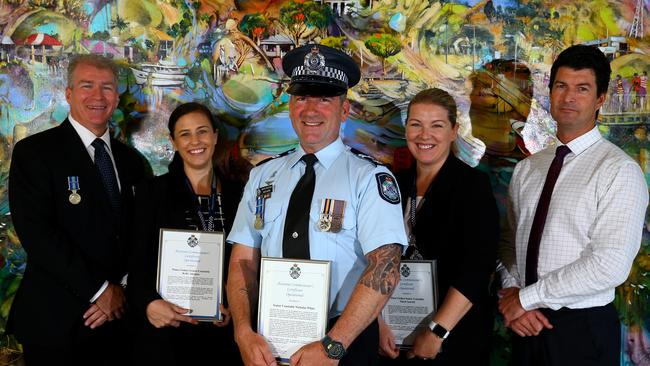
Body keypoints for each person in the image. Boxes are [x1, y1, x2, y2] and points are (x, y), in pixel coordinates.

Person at [226, 44, 408, 366]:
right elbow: (243, 258)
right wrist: (242, 332)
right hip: (269, 342)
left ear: (344, 110)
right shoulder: (263, 176)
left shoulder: (369, 178)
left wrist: (333, 346)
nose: (310, 110)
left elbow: (385, 267)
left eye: (324, 98)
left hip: (343, 342)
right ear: (290, 105)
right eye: (301, 98)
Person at [498, 45, 649, 365]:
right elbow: (510, 242)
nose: (569, 97)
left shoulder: (618, 170)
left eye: (582, 89)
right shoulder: (528, 168)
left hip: (581, 328)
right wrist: (513, 296)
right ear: (550, 92)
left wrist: (526, 298)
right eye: (561, 86)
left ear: (600, 99)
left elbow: (609, 264)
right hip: (525, 324)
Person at [7, 54, 147, 365]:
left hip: (120, 322)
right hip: (56, 324)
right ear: (68, 93)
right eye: (87, 86)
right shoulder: (35, 153)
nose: (98, 96)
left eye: (107, 87)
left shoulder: (133, 162)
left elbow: (142, 235)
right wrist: (100, 290)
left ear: (116, 96)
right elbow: (37, 234)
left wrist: (120, 289)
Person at [378, 88, 499, 364]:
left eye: (437, 126)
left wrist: (437, 331)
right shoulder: (391, 185)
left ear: (454, 131)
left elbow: (477, 268)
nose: (424, 135)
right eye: (416, 124)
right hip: (393, 338)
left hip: (451, 341)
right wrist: (377, 322)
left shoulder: (472, 186)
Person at [127, 102, 244, 365]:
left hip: (221, 336)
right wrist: (148, 304)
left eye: (202, 131)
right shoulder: (152, 192)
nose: (195, 141)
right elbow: (136, 263)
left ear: (215, 135)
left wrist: (235, 306)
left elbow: (246, 262)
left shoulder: (239, 194)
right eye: (185, 134)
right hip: (168, 334)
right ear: (173, 141)